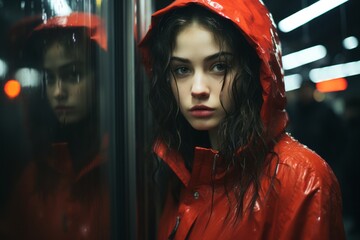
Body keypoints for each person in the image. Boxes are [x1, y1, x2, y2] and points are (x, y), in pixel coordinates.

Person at [139, 0, 346, 239]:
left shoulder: (303, 178)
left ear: (253, 72)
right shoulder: (185, 171)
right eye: (182, 70)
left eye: (219, 66)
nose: (197, 89)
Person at [0, 13, 109, 240]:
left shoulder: (125, 167)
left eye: (74, 75)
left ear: (102, 79)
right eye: (50, 78)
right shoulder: (36, 173)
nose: (58, 92)